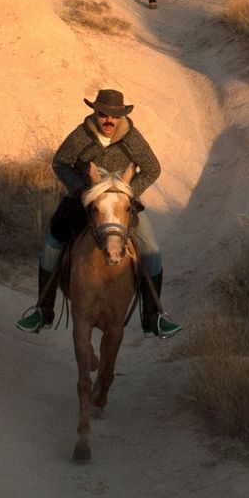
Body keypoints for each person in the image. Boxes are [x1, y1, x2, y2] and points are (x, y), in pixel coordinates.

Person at [15, 88, 183, 338]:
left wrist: (127, 192)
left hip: (120, 206)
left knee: (152, 250)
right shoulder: (81, 136)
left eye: (114, 116)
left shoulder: (132, 138)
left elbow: (152, 169)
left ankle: (154, 317)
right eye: (104, 114)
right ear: (95, 111)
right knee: (52, 244)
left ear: (121, 116)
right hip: (83, 201)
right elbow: (59, 163)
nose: (109, 120)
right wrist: (84, 190)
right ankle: (43, 312)